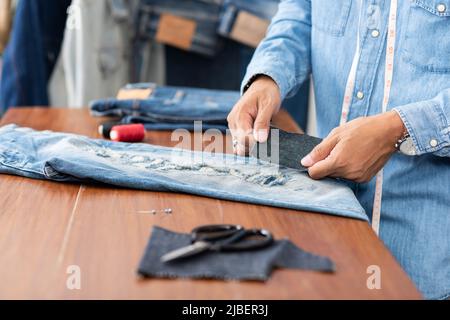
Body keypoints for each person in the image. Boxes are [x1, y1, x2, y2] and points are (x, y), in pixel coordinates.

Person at [227, 0, 450, 300]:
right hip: (325, 250)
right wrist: (267, 78)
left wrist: (398, 130)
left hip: (423, 272)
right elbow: (300, 13)